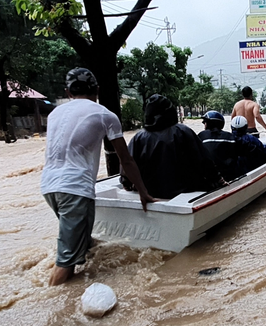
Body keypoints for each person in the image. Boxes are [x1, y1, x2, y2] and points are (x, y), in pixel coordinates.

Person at [41, 68, 155, 286]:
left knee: (83, 244)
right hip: (74, 189)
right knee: (66, 261)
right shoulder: (105, 115)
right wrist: (143, 192)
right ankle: (52, 303)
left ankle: (78, 287)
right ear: (97, 90)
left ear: (67, 91)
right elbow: (126, 160)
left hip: (49, 187)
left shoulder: (54, 113)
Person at [120, 94, 226, 199]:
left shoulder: (138, 138)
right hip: (187, 191)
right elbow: (205, 161)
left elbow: (127, 166)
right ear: (171, 111)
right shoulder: (184, 132)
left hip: (150, 193)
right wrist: (218, 179)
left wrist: (127, 183)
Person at [197, 111, 240, 181]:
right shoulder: (230, 137)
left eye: (204, 122)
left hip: (206, 178)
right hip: (228, 176)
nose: (204, 124)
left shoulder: (201, 136)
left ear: (209, 123)